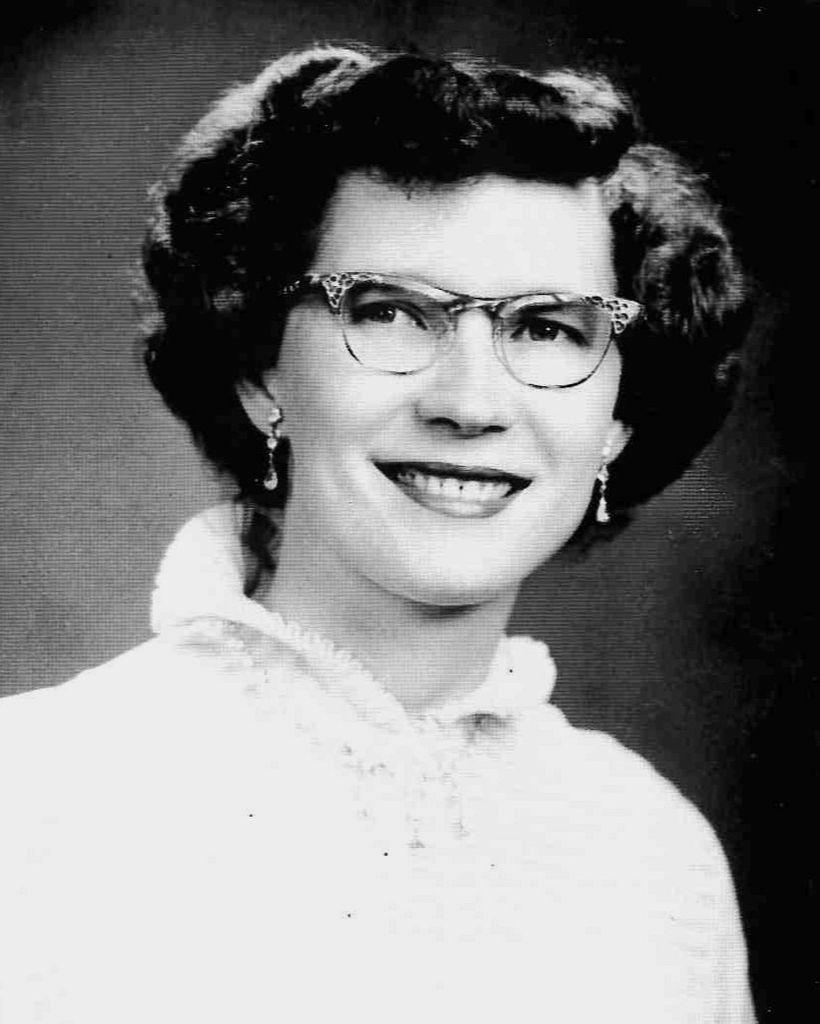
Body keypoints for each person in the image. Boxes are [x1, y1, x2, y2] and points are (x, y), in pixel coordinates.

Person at [0, 43, 755, 1023]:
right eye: (392, 312)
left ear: (616, 418)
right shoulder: (34, 796)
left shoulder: (658, 862)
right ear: (259, 369)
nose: (471, 403)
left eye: (548, 328)